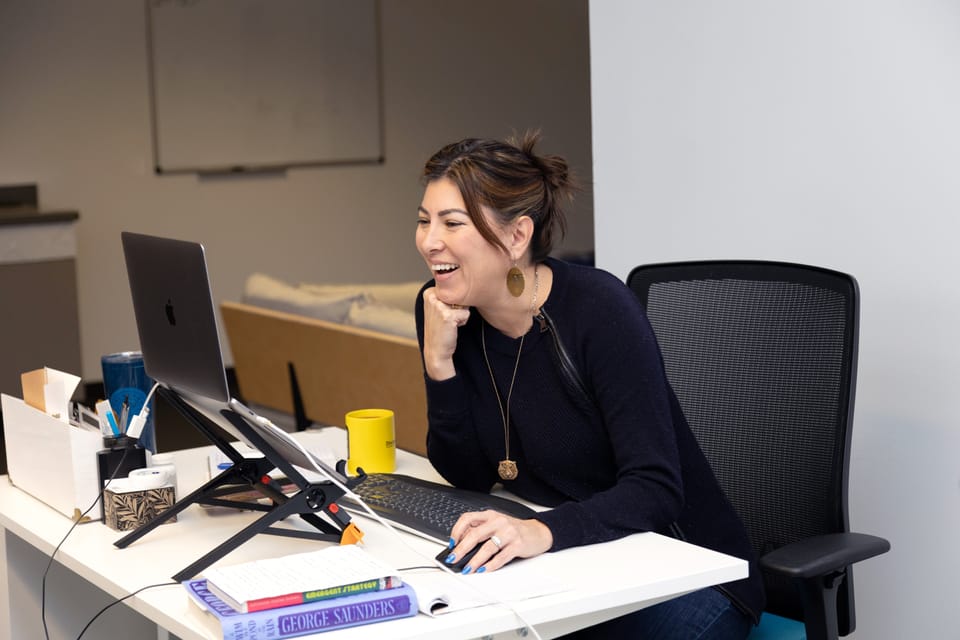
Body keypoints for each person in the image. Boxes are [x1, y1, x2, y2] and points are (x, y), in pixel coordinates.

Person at [414, 132, 764, 639]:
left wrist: (541, 531)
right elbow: (466, 473)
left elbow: (655, 488)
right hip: (571, 567)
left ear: (517, 237)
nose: (430, 241)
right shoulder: (443, 310)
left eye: (452, 223)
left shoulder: (598, 310)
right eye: (424, 221)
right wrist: (438, 363)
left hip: (688, 573)